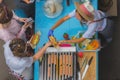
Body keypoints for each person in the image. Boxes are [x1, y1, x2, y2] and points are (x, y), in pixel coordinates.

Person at [48, 1, 113, 47]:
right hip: (101, 16)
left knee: (108, 37)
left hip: (105, 26)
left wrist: (63, 41)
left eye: (77, 15)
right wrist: (52, 29)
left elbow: (81, 39)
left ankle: (106, 43)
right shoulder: (78, 11)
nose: (74, 14)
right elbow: (64, 18)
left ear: (83, 18)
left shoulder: (93, 25)